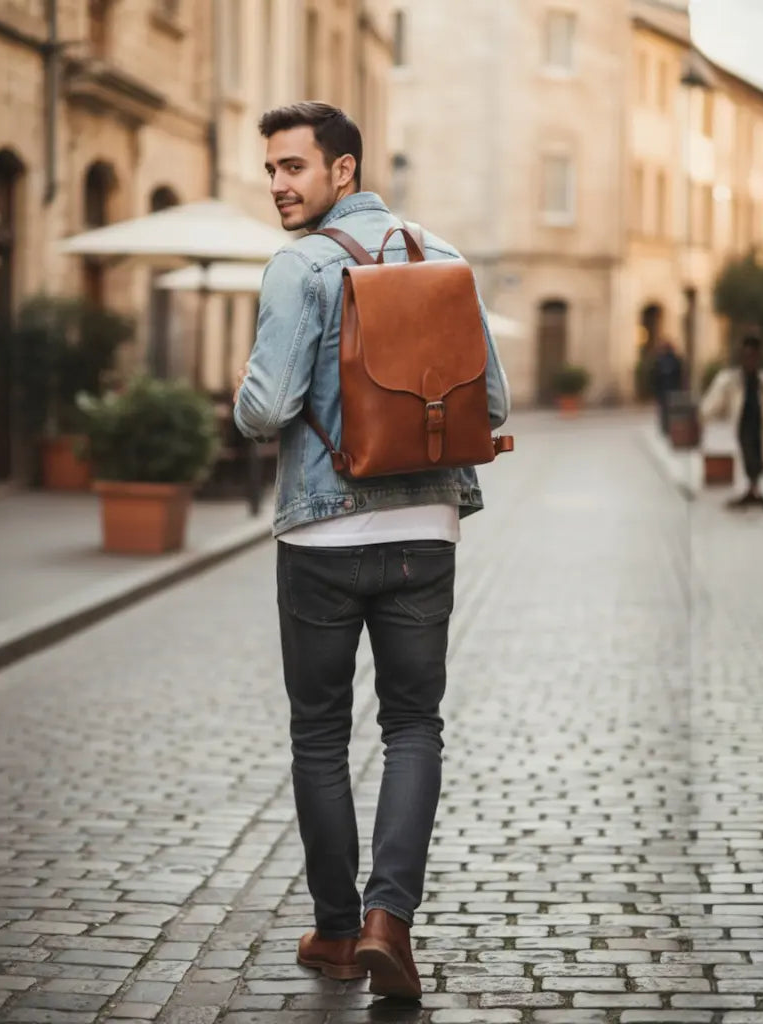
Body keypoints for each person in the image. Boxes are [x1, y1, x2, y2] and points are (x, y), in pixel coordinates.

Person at [232, 102, 510, 1000]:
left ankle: (342, 933)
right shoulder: (442, 257)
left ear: (342, 171)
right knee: (413, 726)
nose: (277, 184)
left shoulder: (296, 266)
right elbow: (492, 406)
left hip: (321, 530)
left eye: (293, 168)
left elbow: (266, 410)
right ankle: (394, 918)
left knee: (319, 732)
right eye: (270, 168)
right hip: (426, 529)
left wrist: (244, 398)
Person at [699, 334, 763, 507]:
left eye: (754, 356)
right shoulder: (731, 380)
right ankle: (748, 491)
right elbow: (713, 402)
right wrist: (703, 416)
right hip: (741, 424)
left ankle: (754, 489)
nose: (751, 360)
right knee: (745, 456)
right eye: (748, 356)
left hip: (760, 424)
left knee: (759, 456)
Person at [651, 339, 684, 435]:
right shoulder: (675, 360)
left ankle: (667, 428)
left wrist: (655, 391)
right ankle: (671, 427)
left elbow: (655, 377)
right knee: (671, 410)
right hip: (672, 389)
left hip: (665, 390)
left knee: (666, 410)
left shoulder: (660, 360)